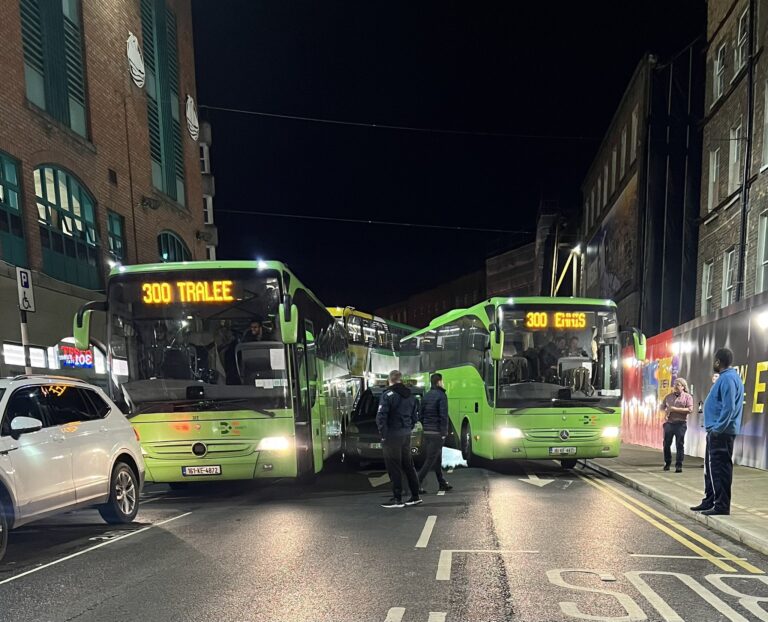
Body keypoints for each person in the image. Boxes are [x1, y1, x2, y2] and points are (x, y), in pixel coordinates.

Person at [690, 348, 744, 516]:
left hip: (721, 433)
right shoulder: (727, 378)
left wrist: (718, 429)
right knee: (711, 468)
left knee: (719, 469)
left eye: (715, 360)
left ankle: (721, 505)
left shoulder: (728, 379)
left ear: (718, 362)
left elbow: (729, 407)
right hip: (717, 432)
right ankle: (710, 500)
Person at [376, 370, 422, 508]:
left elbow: (381, 417)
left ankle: (397, 498)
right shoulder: (411, 396)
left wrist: (384, 435)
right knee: (408, 465)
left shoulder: (388, 395)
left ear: (389, 380)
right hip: (406, 435)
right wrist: (407, 429)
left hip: (392, 436)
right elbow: (415, 418)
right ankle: (415, 496)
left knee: (394, 466)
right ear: (401, 380)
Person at [417, 373, 452, 493]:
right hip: (437, 432)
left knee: (437, 458)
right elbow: (443, 416)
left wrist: (425, 426)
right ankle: (416, 482)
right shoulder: (442, 396)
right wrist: (444, 432)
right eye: (442, 381)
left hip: (427, 432)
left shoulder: (426, 396)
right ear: (439, 382)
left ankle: (442, 482)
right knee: (430, 459)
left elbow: (420, 415)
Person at [660, 378, 693, 473]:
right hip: (669, 424)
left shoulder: (688, 397)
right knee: (666, 444)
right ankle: (667, 462)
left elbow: (690, 410)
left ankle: (679, 465)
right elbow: (662, 407)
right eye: (674, 384)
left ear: (683, 386)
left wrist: (675, 409)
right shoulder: (668, 397)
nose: (675, 386)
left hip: (680, 424)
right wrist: (665, 414)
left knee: (679, 444)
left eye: (678, 384)